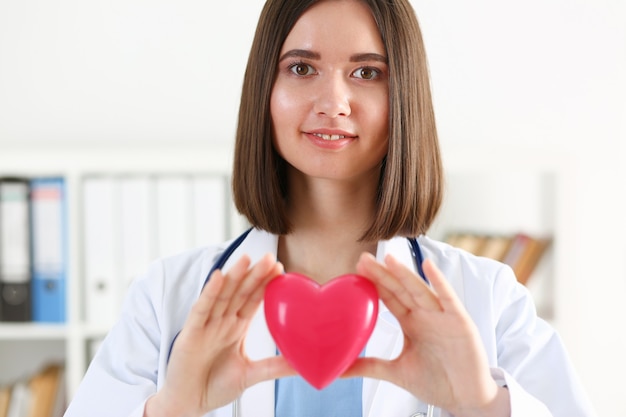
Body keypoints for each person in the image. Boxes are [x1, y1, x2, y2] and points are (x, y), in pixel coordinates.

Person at [64, 0, 597, 416]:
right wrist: (169, 412)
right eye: (301, 68)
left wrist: (485, 408)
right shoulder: (168, 301)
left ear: (403, 98)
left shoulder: (488, 301)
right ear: (265, 90)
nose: (333, 102)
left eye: (367, 73)